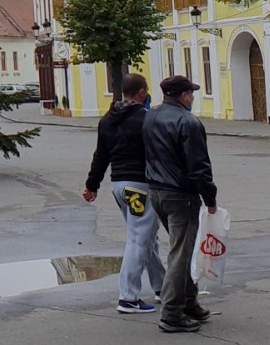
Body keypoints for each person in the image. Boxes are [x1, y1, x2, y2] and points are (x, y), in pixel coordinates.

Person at [83, 72, 166, 314]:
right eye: (146, 89)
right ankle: (128, 297)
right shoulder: (146, 119)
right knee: (139, 240)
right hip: (140, 185)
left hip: (119, 185)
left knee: (148, 238)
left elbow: (101, 155)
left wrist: (92, 185)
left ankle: (162, 287)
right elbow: (158, 153)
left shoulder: (108, 119)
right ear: (141, 92)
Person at [143, 75, 218, 334]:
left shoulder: (150, 116)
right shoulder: (188, 122)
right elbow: (198, 165)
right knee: (180, 253)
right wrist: (210, 198)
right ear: (183, 95)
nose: (193, 97)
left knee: (181, 249)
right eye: (191, 93)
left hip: (157, 191)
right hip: (180, 194)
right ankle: (172, 313)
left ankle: (188, 302)